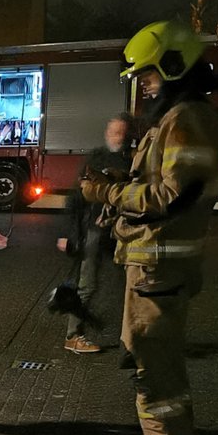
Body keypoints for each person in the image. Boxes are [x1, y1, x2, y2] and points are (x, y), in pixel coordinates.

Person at [80, 20, 218, 435]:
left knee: (158, 368)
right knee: (145, 362)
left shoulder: (187, 118)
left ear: (174, 64)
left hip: (162, 269)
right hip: (149, 268)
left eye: (148, 73)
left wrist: (108, 190)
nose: (143, 83)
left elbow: (174, 194)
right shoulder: (175, 117)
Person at [58, 112, 134, 353]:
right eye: (114, 131)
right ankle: (73, 336)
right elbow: (75, 198)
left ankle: (135, 336)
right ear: (106, 133)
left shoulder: (133, 160)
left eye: (122, 131)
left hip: (124, 232)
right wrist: (69, 233)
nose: (117, 135)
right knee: (86, 284)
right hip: (96, 230)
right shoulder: (96, 159)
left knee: (134, 284)